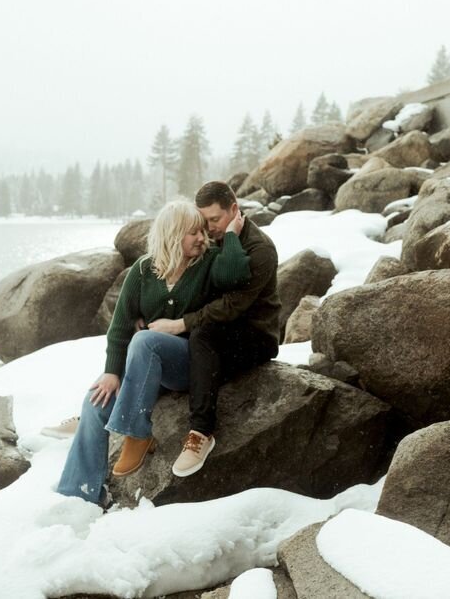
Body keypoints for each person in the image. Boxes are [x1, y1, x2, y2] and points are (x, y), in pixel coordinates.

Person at [51, 200, 248, 505]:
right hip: (147, 370)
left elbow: (236, 278)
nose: (202, 237)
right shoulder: (143, 270)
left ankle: (137, 433)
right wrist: (112, 373)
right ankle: (78, 494)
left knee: (143, 341)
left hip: (189, 364)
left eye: (202, 231)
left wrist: (233, 236)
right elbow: (119, 327)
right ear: (172, 235)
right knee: (95, 401)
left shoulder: (209, 262)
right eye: (193, 232)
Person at [148, 181, 281, 478]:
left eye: (214, 220)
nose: (208, 229)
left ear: (234, 210)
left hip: (255, 335)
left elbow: (233, 305)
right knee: (151, 341)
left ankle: (201, 433)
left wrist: (181, 323)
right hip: (218, 327)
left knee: (202, 334)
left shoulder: (260, 249)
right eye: (203, 221)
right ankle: (109, 408)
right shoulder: (213, 240)